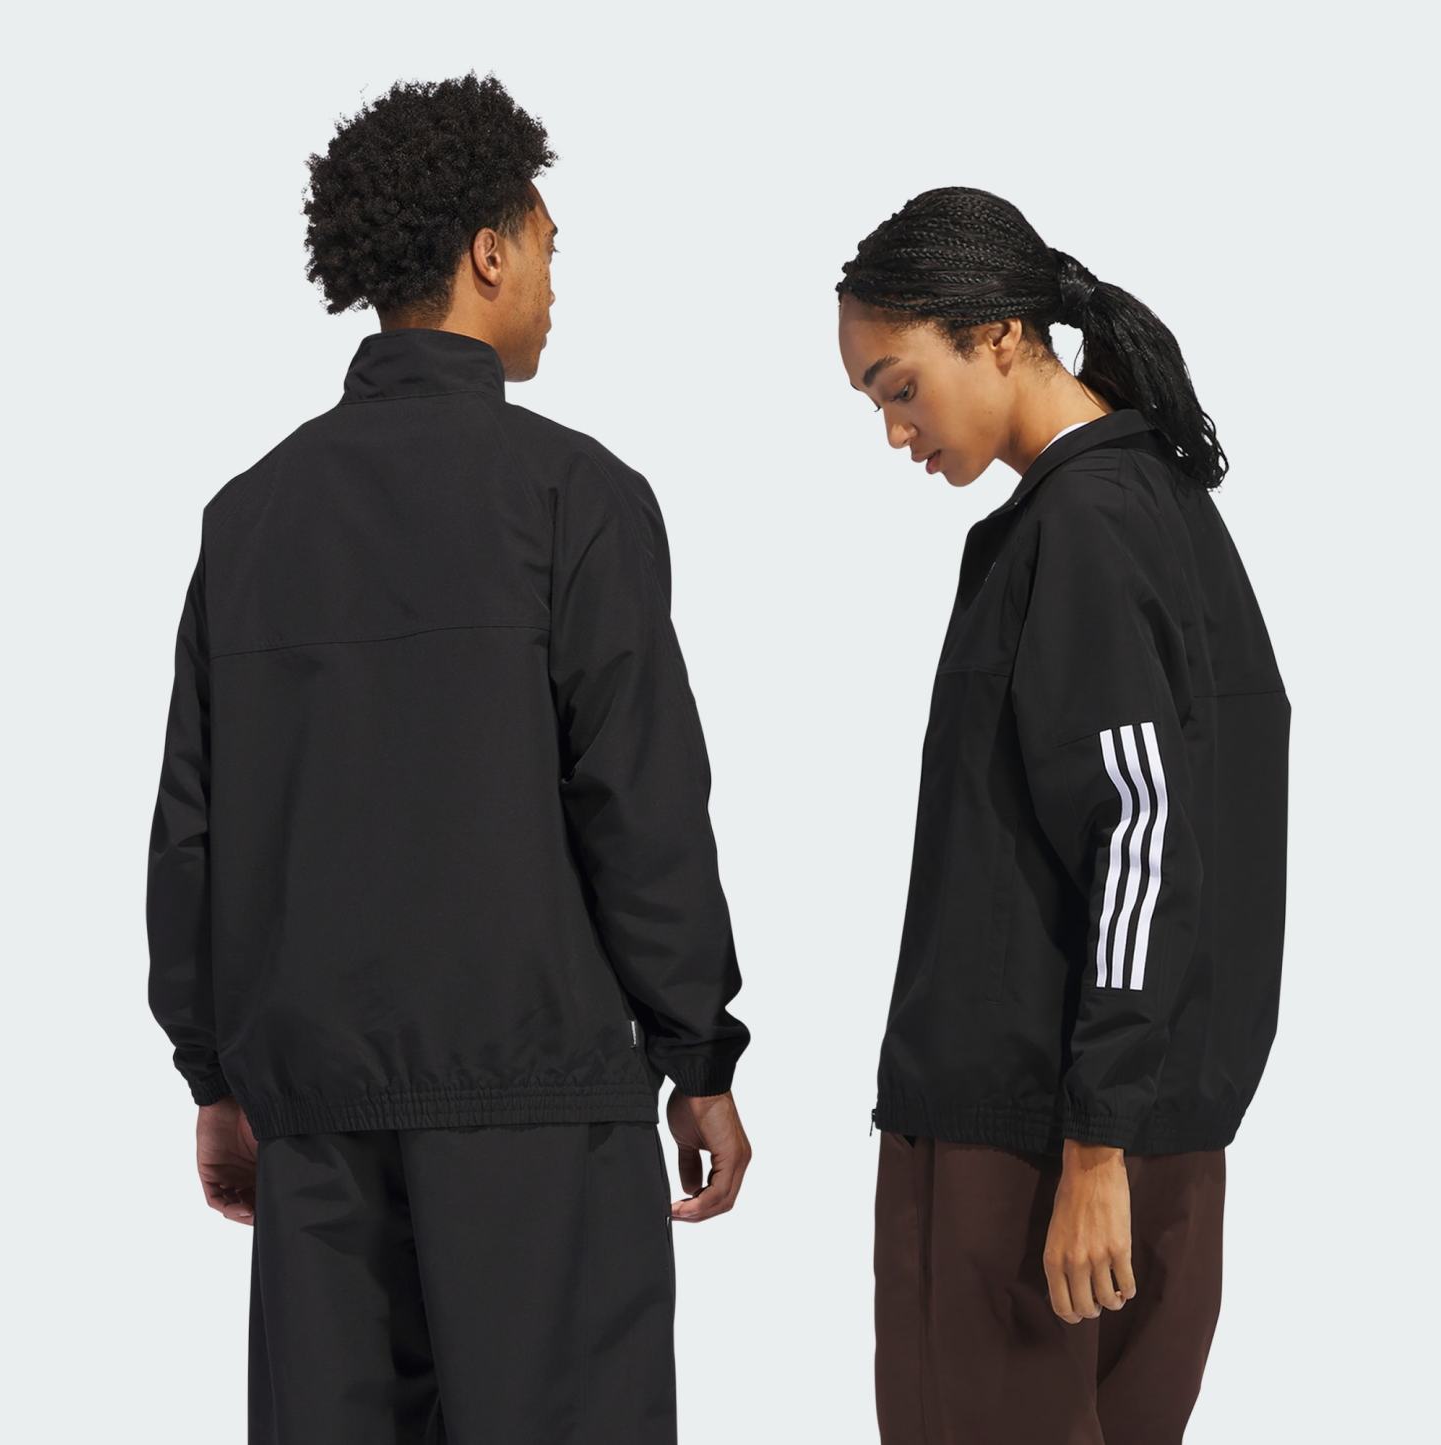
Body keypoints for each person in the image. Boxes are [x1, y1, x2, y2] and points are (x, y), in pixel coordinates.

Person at [146, 72, 751, 1445]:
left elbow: (193, 826)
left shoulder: (249, 519)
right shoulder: (573, 497)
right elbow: (641, 799)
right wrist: (698, 1048)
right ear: (487, 252)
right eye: (544, 247)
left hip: (316, 1118)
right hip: (538, 1110)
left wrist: (214, 1076)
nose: (551, 283)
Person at [837, 187, 1289, 1444]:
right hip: (1143, 1135)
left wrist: (1093, 1142)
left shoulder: (1082, 524)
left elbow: (1138, 830)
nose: (894, 431)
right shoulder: (1158, 505)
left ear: (995, 336)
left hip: (1028, 1147)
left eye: (897, 387)